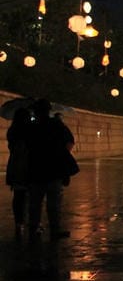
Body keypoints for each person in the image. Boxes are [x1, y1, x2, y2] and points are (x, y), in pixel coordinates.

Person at [23, 98, 77, 243]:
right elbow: (70, 140)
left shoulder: (31, 127)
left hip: (35, 168)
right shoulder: (56, 125)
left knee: (35, 202)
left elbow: (25, 146)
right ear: (48, 111)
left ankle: (33, 228)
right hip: (54, 169)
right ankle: (54, 229)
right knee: (54, 203)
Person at [6, 104, 33, 240]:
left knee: (18, 195)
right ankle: (29, 221)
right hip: (27, 164)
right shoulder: (29, 130)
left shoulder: (12, 130)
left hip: (15, 165)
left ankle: (19, 222)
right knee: (29, 194)